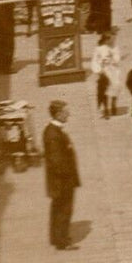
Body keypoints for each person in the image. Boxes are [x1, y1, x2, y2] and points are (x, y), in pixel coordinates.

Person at [42, 100, 80, 251]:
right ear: (58, 114)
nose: (68, 114)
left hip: (61, 180)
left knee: (59, 209)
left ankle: (57, 238)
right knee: (63, 209)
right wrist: (67, 176)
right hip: (62, 181)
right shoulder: (53, 133)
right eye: (65, 112)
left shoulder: (53, 131)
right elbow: (56, 161)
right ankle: (62, 241)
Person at [89, 29, 122, 118]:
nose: (113, 41)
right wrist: (98, 70)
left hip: (114, 71)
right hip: (105, 71)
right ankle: (106, 109)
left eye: (114, 39)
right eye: (111, 39)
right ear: (106, 40)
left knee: (116, 87)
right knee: (105, 90)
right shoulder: (99, 49)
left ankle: (113, 103)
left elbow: (117, 59)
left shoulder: (115, 48)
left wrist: (113, 58)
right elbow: (94, 60)